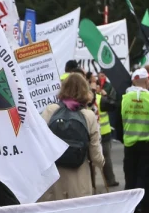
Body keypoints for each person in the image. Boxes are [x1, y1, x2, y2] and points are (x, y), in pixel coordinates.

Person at [40, 72, 104, 202]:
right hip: (79, 180)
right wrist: (101, 163)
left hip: (54, 180)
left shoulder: (50, 110)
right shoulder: (88, 116)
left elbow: (39, 141)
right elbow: (95, 155)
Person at [120, 68, 149, 213]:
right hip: (148, 143)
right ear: (147, 81)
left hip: (130, 143)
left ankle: (130, 207)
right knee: (147, 177)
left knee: (130, 176)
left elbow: (118, 119)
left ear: (133, 81)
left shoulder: (125, 98)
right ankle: (145, 206)